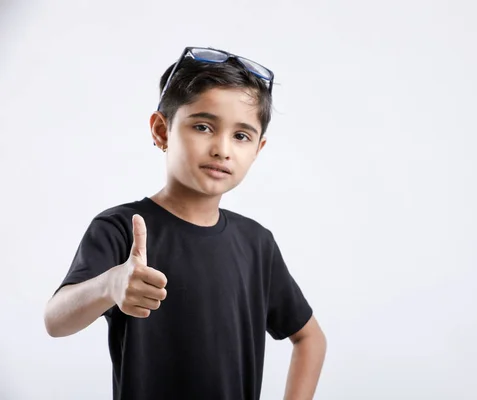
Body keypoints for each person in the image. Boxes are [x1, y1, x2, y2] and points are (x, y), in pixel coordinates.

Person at [44, 47, 327, 400]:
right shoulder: (121, 228)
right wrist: (110, 285)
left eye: (241, 136)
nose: (222, 149)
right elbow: (55, 321)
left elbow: (309, 337)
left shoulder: (257, 243)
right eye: (203, 126)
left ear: (258, 149)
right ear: (162, 131)